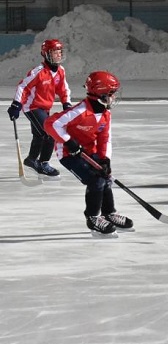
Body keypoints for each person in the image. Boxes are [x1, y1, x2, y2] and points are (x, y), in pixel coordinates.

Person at [44, 71, 133, 237]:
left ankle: (109, 213)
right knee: (95, 180)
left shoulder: (105, 114)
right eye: (112, 93)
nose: (114, 97)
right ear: (101, 94)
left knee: (105, 177)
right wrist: (69, 142)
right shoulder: (80, 111)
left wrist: (105, 159)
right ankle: (92, 218)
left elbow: (105, 139)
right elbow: (51, 124)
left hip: (89, 151)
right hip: (68, 154)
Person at [7, 39, 72, 176]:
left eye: (60, 51)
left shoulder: (60, 71)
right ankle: (43, 163)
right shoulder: (39, 72)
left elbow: (63, 89)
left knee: (39, 135)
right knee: (49, 133)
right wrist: (16, 105)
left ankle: (31, 160)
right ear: (47, 54)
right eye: (55, 52)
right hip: (32, 106)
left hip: (44, 108)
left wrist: (66, 103)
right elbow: (23, 86)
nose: (59, 54)